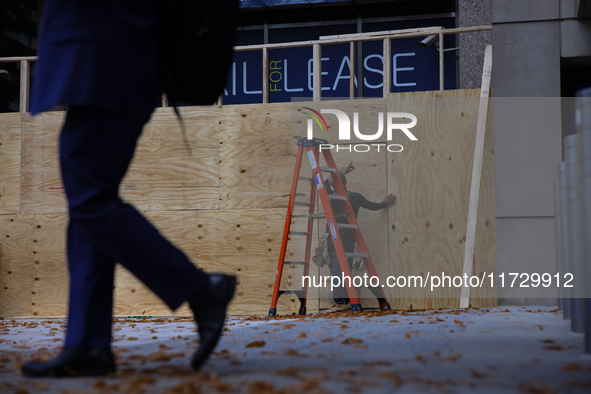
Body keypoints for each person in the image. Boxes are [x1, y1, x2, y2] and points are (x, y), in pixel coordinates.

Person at [21, 0, 235, 377]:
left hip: (105, 58)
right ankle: (87, 344)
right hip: (115, 56)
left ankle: (200, 288)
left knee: (89, 201)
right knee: (89, 206)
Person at [324, 162, 396, 313]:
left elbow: (329, 180)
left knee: (337, 271)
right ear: (345, 182)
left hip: (335, 238)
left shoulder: (330, 195)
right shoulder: (355, 197)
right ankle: (347, 300)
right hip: (348, 240)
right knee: (345, 271)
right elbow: (372, 206)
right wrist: (384, 203)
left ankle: (339, 303)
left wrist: (343, 171)